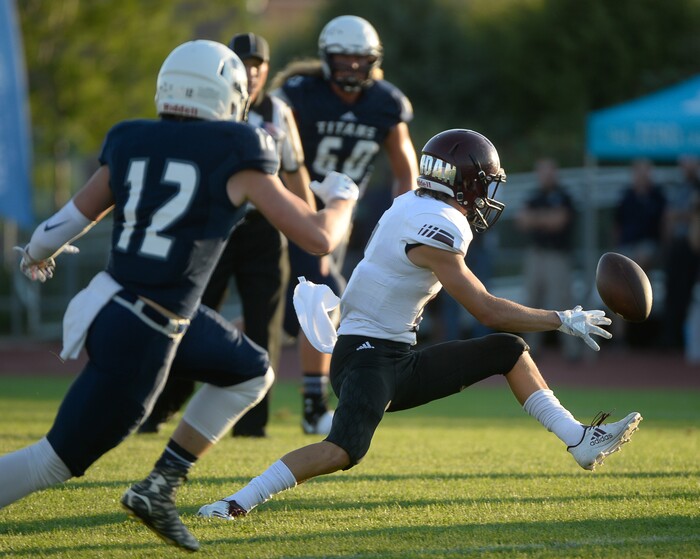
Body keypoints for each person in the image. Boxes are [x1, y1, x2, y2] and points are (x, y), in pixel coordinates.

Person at [0, 40, 358, 552]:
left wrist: (35, 252)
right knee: (53, 461)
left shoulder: (131, 138)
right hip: (146, 329)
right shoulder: (240, 149)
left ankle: (159, 486)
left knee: (251, 370)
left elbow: (67, 223)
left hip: (124, 307)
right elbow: (318, 237)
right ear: (228, 94)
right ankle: (155, 485)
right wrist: (344, 199)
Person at [197, 129, 642, 523]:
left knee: (509, 350)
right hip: (366, 356)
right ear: (464, 183)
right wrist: (561, 319)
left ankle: (579, 439)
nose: (486, 195)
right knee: (343, 450)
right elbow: (485, 308)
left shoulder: (414, 203)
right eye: (484, 183)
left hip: (395, 355)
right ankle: (236, 501)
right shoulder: (437, 227)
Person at [139, 32, 314, 438]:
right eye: (244, 63)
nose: (251, 72)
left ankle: (252, 424)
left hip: (263, 228)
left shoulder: (277, 110)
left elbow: (294, 170)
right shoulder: (209, 106)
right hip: (214, 224)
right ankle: (163, 405)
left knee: (263, 325)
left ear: (267, 70)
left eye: (258, 65)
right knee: (186, 316)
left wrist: (307, 220)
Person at [270, 14, 419, 435]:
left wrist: (402, 218)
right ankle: (314, 404)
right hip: (288, 207)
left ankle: (194, 376)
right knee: (324, 291)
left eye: (360, 59)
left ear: (373, 60)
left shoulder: (387, 102)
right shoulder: (300, 94)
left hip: (338, 219)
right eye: (344, 59)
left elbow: (404, 170)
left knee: (282, 316)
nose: (352, 67)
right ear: (326, 58)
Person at [515, 158, 579, 360]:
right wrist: (546, 218)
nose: (546, 176)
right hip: (536, 255)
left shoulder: (564, 195)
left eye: (550, 172)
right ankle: (529, 350)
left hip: (557, 256)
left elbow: (559, 222)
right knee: (531, 304)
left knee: (562, 303)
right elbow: (522, 221)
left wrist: (536, 218)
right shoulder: (533, 195)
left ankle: (572, 351)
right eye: (543, 172)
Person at [613, 158, 667, 345]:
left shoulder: (657, 196)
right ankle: (618, 338)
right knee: (618, 287)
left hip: (649, 247)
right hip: (627, 248)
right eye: (639, 172)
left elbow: (664, 225)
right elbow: (617, 226)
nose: (642, 176)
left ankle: (632, 282)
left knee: (634, 268)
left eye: (646, 171)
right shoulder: (626, 196)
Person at [659, 155, 700, 351]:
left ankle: (686, 343)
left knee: (687, 294)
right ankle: (670, 337)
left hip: (692, 248)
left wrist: (680, 215)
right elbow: (669, 216)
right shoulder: (680, 187)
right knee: (672, 292)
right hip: (676, 246)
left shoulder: (696, 187)